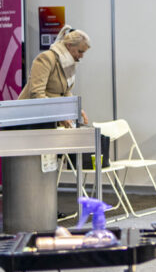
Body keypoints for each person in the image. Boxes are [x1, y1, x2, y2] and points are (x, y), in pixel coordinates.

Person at [3, 25, 91, 233]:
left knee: (47, 167)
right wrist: (60, 115)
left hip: (47, 123)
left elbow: (65, 92)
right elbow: (37, 94)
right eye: (80, 51)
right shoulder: (46, 59)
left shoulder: (68, 65)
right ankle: (26, 219)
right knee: (30, 171)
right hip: (28, 123)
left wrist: (76, 109)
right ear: (69, 46)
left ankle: (43, 214)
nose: (81, 56)